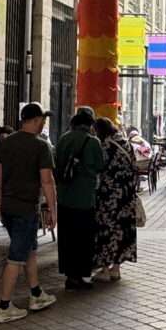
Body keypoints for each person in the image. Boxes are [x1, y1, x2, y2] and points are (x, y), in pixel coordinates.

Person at [0, 103, 59, 323]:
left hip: (9, 207)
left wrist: (1, 203)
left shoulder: (6, 143)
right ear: (35, 120)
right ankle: (4, 306)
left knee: (29, 249)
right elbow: (47, 181)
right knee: (16, 257)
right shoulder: (40, 147)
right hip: (25, 207)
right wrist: (52, 208)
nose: (43, 124)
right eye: (42, 120)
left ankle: (36, 293)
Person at [53, 107, 107, 289]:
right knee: (84, 238)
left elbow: (55, 164)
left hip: (64, 196)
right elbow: (100, 165)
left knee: (67, 237)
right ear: (90, 125)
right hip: (84, 197)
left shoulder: (62, 139)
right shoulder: (93, 142)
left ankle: (69, 275)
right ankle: (82, 275)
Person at [91, 117, 139, 282]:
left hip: (109, 196)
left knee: (106, 229)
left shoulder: (104, 146)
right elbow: (134, 166)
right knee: (122, 230)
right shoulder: (126, 143)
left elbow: (98, 168)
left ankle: (104, 268)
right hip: (126, 195)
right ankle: (116, 269)